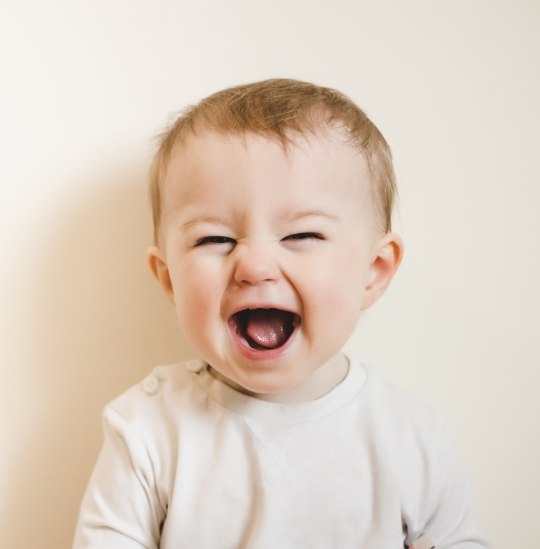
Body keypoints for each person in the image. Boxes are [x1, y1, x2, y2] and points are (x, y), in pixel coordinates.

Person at [73, 79, 490, 548]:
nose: (253, 265)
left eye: (301, 236)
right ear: (169, 278)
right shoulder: (148, 427)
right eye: (215, 239)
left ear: (372, 271)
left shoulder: (410, 435)